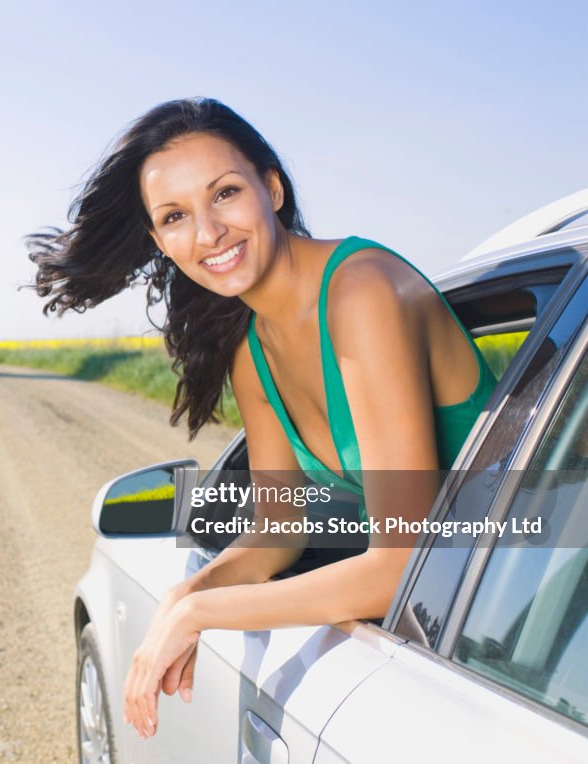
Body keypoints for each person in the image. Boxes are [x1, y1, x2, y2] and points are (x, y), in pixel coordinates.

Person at [28, 97, 497, 739]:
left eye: (224, 193)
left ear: (271, 188)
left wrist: (206, 616)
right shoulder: (253, 351)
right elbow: (278, 532)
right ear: (160, 241)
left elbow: (397, 566)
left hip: (529, 609)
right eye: (175, 216)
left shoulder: (361, 292)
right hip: (470, 613)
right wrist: (183, 597)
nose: (209, 233)